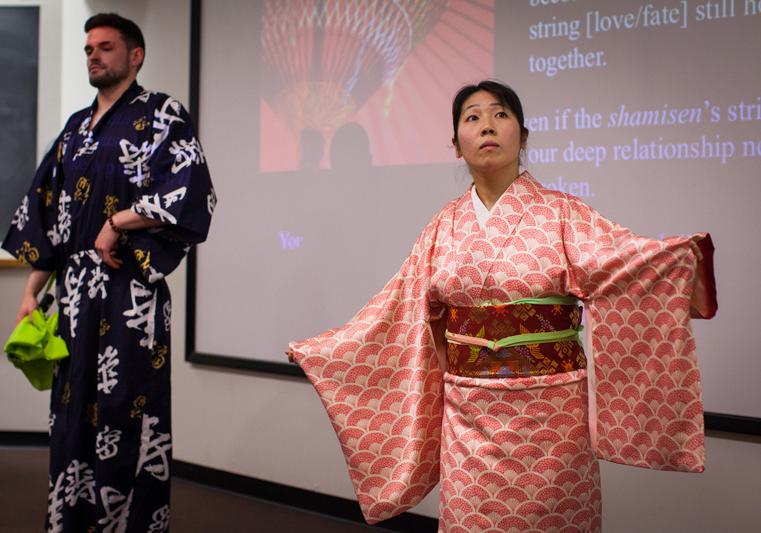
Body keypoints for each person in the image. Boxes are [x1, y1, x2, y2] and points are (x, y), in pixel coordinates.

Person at [286, 80, 716, 532]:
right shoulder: (442, 228)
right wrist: (324, 351)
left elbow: (627, 265)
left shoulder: (564, 214)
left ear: (523, 136)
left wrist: (680, 256)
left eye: (500, 114)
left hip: (553, 422)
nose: (486, 126)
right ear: (456, 145)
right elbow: (394, 310)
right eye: (472, 118)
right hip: (468, 421)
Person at [2, 13, 215, 532]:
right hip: (74, 298)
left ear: (134, 55)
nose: (94, 55)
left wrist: (116, 221)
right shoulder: (76, 128)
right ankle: (71, 522)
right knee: (72, 415)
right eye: (88, 49)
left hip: (130, 296)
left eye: (106, 47)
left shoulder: (163, 114)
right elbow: (50, 215)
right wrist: (32, 292)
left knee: (127, 412)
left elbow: (191, 195)